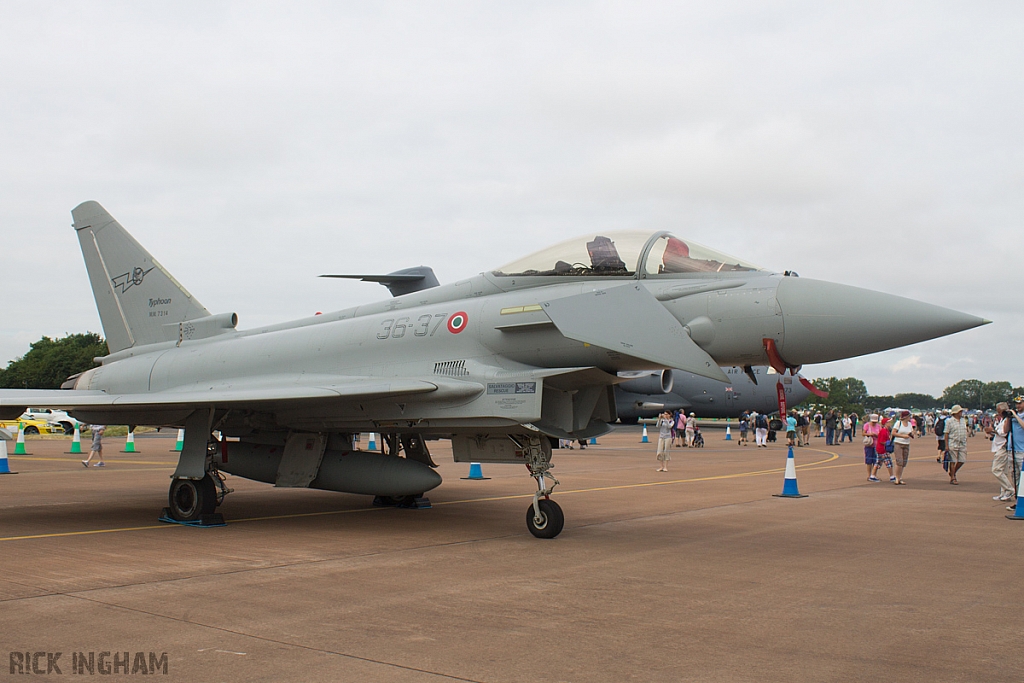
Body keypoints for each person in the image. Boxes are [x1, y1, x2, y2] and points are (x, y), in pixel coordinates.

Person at [985, 402, 1014, 502]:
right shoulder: (1002, 420)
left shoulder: (1007, 420)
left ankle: (1009, 489)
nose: (998, 413)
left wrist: (992, 431)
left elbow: (1004, 433)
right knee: (1003, 471)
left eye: (999, 411)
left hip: (1003, 447)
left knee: (996, 470)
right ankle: (1004, 493)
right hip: (999, 446)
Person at [944, 405, 968, 485]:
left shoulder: (963, 420)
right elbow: (946, 433)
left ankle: (953, 472)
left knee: (962, 460)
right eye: (960, 411)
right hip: (953, 442)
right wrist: (946, 445)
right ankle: (953, 478)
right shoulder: (949, 421)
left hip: (962, 443)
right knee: (953, 461)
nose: (961, 413)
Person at [891, 411, 915, 485]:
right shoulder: (898, 423)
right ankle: (897, 478)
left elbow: (911, 432)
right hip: (898, 443)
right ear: (905, 417)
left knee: (904, 462)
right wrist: (903, 436)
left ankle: (900, 477)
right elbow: (893, 433)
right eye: (909, 416)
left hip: (906, 444)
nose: (910, 418)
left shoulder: (910, 424)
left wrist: (912, 434)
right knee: (899, 461)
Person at [875, 417, 896, 482]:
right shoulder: (883, 431)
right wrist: (888, 443)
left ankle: (872, 475)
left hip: (883, 449)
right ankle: (892, 476)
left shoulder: (887, 431)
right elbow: (881, 441)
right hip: (883, 449)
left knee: (878, 463)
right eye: (889, 422)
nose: (890, 423)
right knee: (888, 462)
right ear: (885, 424)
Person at [863, 414, 880, 481]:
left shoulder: (878, 426)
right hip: (869, 444)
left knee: (876, 461)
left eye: (875, 422)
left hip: (876, 445)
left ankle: (874, 474)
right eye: (873, 422)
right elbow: (863, 433)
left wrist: (877, 435)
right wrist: (870, 434)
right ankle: (869, 474)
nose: (874, 423)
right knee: (869, 460)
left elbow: (880, 434)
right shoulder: (867, 425)